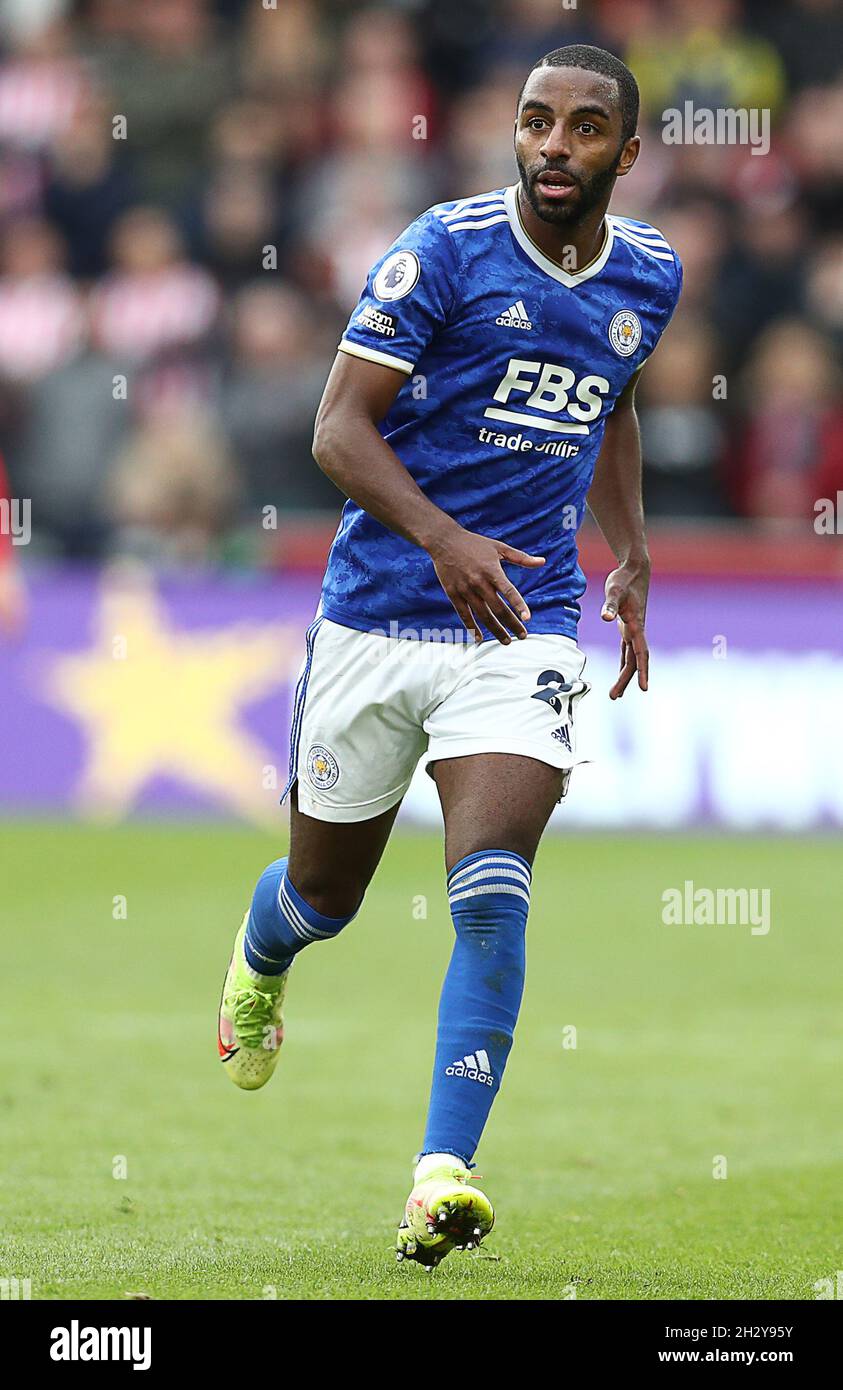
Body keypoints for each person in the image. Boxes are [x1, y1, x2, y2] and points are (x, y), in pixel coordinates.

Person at [216, 44, 682, 1268]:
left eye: (586, 130)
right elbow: (337, 429)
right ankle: (262, 952)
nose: (555, 148)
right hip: (378, 611)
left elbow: (614, 395)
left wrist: (627, 554)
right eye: (536, 123)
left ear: (626, 154)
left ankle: (441, 1174)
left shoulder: (652, 272)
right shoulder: (444, 250)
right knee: (327, 899)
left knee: (491, 886)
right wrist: (443, 540)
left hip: (519, 622)